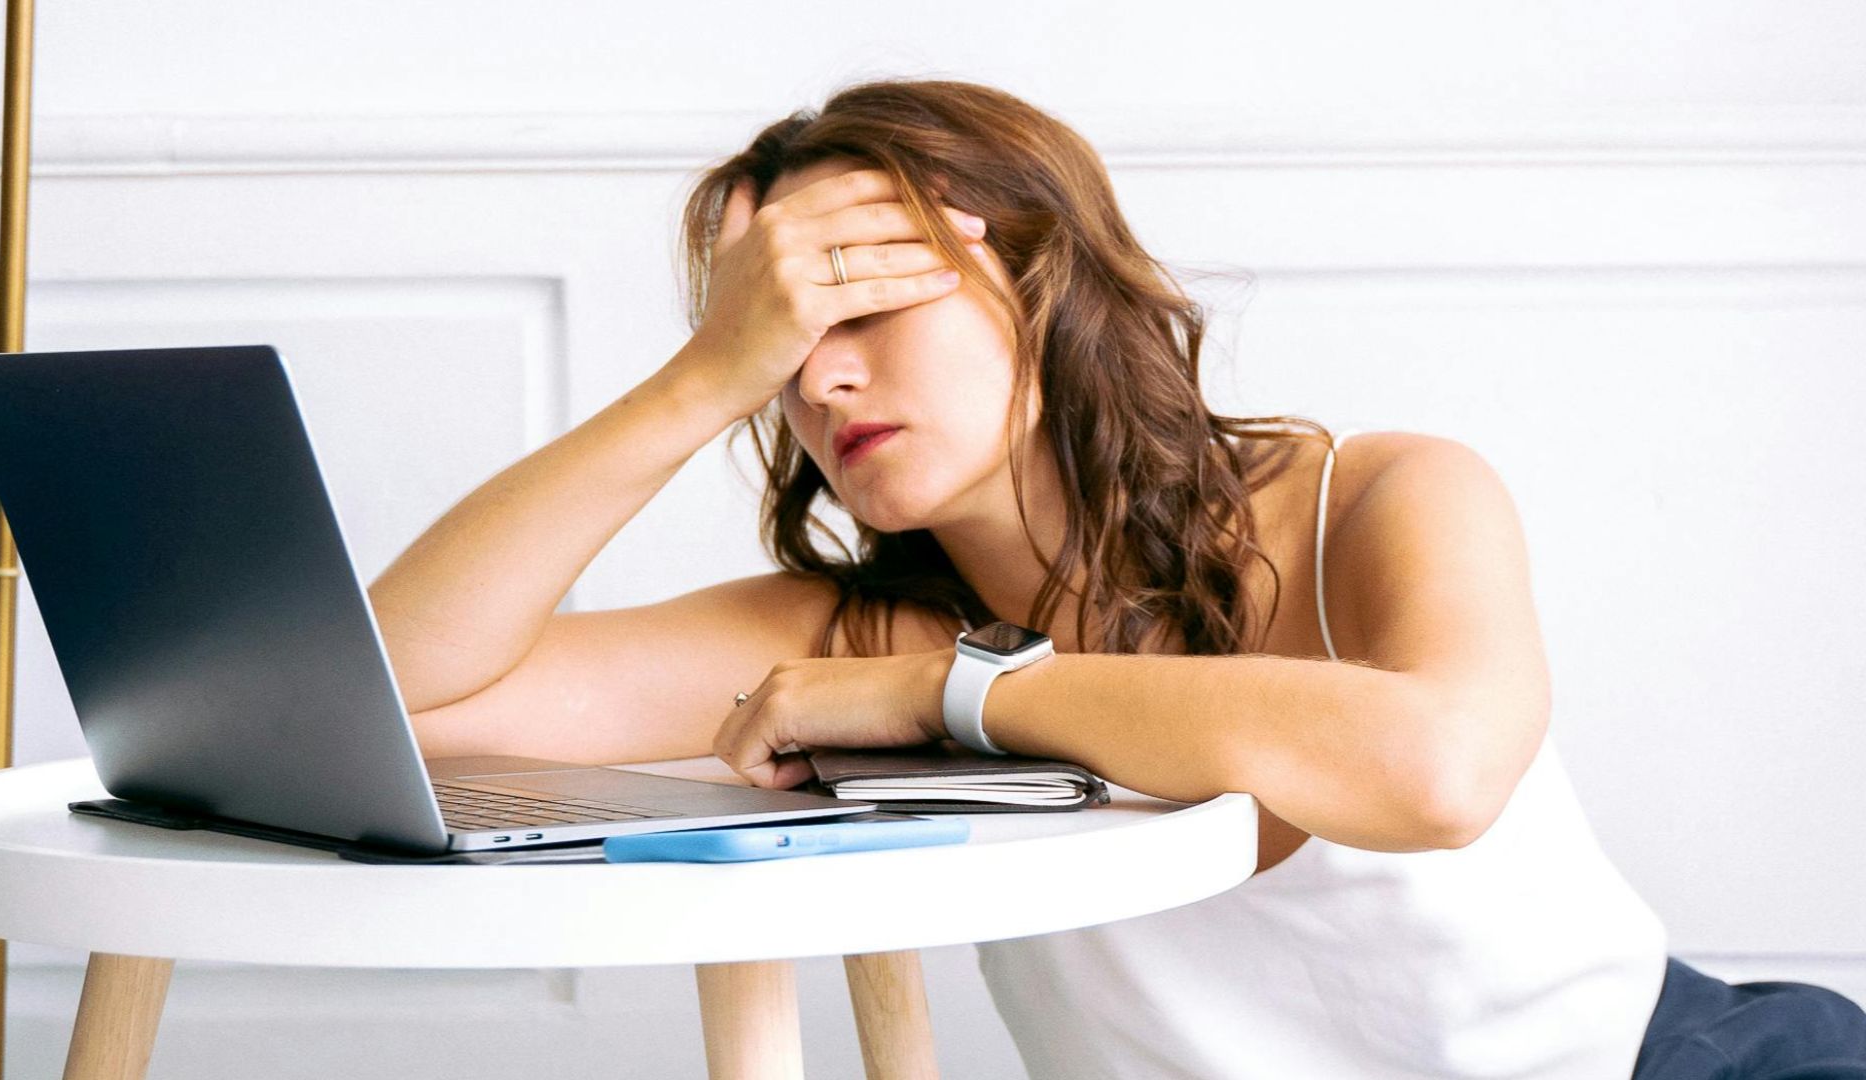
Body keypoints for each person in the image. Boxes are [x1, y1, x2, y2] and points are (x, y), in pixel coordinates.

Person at [367, 78, 1866, 1078]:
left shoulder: (1379, 496)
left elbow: (1439, 771)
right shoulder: (842, 625)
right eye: (774, 338)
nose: (816, 378)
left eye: (859, 303)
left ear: (1037, 276)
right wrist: (700, 378)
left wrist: (949, 697)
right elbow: (391, 699)